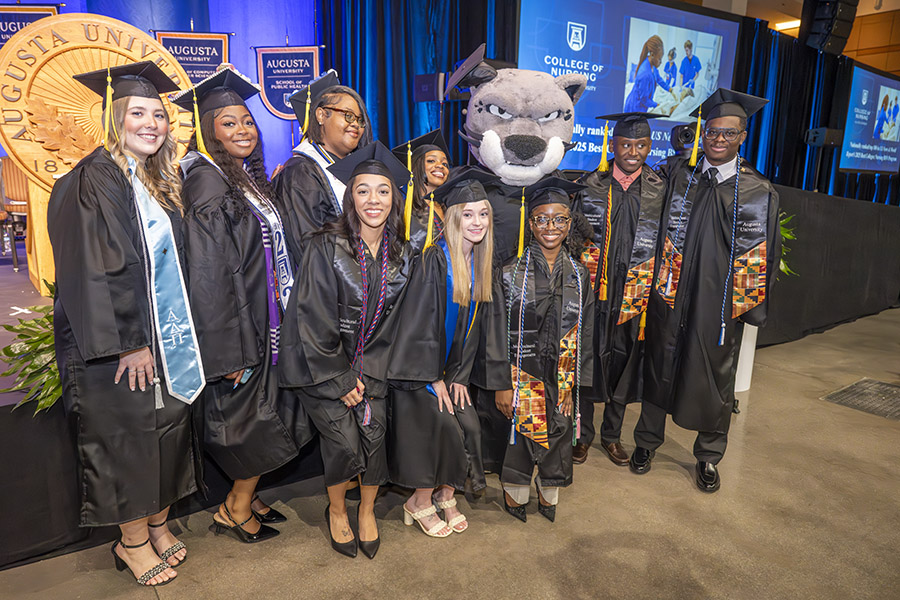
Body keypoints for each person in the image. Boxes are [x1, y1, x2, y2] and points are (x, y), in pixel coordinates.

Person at [48, 62, 206, 587]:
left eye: (158, 115)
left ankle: (158, 524)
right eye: (137, 113)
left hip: (166, 336)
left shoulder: (152, 178)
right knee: (129, 440)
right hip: (122, 345)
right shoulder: (95, 177)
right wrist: (130, 342)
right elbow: (99, 266)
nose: (151, 124)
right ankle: (132, 540)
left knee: (164, 430)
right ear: (114, 118)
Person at [172, 66, 307, 543]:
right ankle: (236, 507)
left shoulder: (240, 178)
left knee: (271, 414)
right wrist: (228, 348)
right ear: (208, 131)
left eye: (246, 121)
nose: (242, 130)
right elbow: (209, 274)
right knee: (254, 421)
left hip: (264, 317)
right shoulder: (207, 182)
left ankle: (247, 495)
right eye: (228, 124)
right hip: (242, 329)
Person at [630, 89, 781, 493]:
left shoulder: (757, 192)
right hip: (672, 292)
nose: (718, 140)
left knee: (714, 375)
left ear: (742, 138)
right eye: (712, 132)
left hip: (718, 304)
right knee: (660, 364)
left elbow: (766, 254)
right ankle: (646, 442)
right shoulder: (683, 174)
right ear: (703, 132)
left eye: (728, 134)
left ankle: (708, 456)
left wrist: (751, 309)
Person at [279, 142, 412, 559]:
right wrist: (341, 378)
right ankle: (337, 510)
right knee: (344, 441)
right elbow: (310, 318)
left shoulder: (402, 255)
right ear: (350, 196)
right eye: (363, 190)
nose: (374, 200)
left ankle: (368, 509)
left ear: (395, 199)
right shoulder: (325, 246)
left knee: (375, 435)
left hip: (373, 368)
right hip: (322, 367)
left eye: (383, 191)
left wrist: (369, 375)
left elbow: (397, 325)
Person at [387, 167, 495, 537]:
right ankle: (418, 500)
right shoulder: (435, 259)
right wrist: (436, 379)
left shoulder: (479, 264)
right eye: (468, 214)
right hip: (417, 373)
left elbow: (473, 333)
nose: (477, 222)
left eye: (483, 213)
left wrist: (459, 377)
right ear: (452, 217)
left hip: (448, 373)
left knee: (470, 424)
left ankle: (446, 494)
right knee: (446, 424)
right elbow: (421, 325)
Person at [486, 178, 594, 523]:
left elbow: (587, 329)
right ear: (530, 223)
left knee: (560, 426)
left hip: (561, 371)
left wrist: (575, 382)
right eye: (542, 219)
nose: (551, 227)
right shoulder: (507, 274)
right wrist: (501, 382)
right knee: (521, 428)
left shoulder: (579, 274)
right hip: (521, 370)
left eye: (560, 219)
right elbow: (494, 335)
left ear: (569, 223)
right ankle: (515, 490)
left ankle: (550, 489)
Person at [574, 113, 667, 466]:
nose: (633, 151)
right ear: (613, 145)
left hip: (634, 291)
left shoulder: (659, 188)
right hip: (596, 290)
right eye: (626, 144)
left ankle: (612, 435)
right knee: (588, 358)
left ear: (649, 146)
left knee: (625, 361)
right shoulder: (590, 184)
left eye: (640, 145)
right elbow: (575, 236)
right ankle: (583, 435)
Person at [274, 71, 373, 263]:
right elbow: (309, 246)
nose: (356, 125)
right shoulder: (301, 171)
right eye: (348, 116)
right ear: (320, 115)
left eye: (360, 120)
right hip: (328, 285)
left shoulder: (354, 169)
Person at [391, 129, 451, 253]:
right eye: (431, 160)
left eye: (445, 164)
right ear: (415, 166)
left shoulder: (450, 207)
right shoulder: (403, 209)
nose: (440, 165)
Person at [624, 35, 673, 113]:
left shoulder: (653, 67)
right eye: (659, 59)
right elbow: (644, 99)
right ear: (652, 55)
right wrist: (657, 105)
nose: (661, 62)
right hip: (634, 108)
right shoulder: (645, 74)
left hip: (640, 107)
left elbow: (659, 80)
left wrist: (670, 89)